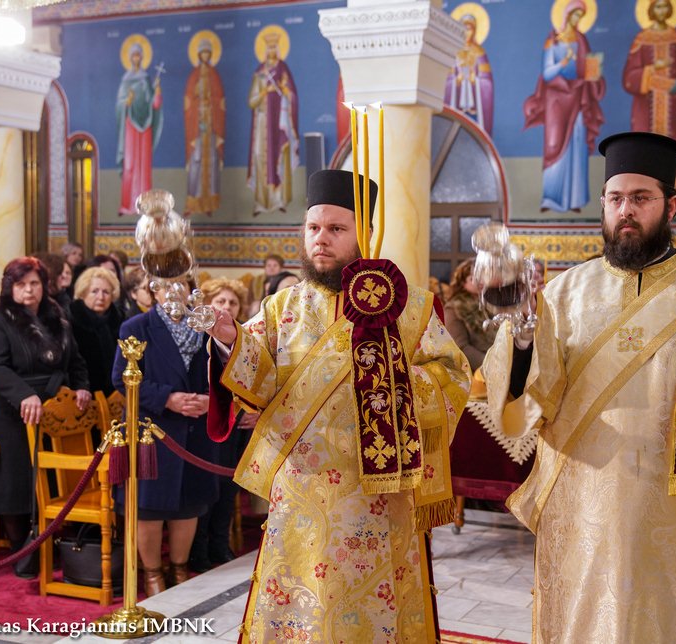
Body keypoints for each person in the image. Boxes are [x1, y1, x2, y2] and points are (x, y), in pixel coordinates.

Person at [481, 132, 676, 642]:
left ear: (670, 205)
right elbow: (527, 402)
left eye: (640, 198)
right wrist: (520, 337)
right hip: (584, 503)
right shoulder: (565, 292)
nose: (625, 211)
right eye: (614, 198)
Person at [205, 169, 470, 641]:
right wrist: (230, 340)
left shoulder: (409, 308)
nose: (321, 239)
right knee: (298, 605)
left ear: (364, 233)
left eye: (335, 228)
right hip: (300, 489)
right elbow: (259, 383)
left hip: (378, 493)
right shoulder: (281, 307)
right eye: (313, 227)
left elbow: (452, 377)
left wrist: (393, 383)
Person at [0, 257, 90, 575]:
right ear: (9, 287)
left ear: (43, 286)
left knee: (52, 483)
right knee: (16, 483)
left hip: (56, 409)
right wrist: (24, 394)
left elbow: (75, 360)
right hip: (14, 411)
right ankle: (22, 551)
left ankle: (56, 545)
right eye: (21, 284)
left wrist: (81, 387)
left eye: (34, 283)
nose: (28, 290)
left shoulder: (58, 317)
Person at [111, 278, 219, 597]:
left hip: (196, 425)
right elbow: (121, 378)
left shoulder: (204, 324)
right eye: (165, 284)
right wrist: (167, 398)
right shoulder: (136, 326)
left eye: (181, 283)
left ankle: (180, 568)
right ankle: (153, 573)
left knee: (189, 503)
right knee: (150, 506)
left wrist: (210, 399)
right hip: (153, 428)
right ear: (153, 290)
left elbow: (224, 371)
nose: (173, 290)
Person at [189, 278, 257, 572]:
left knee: (229, 486)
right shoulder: (195, 338)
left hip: (238, 422)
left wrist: (254, 411)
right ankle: (199, 549)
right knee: (208, 486)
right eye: (220, 301)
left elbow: (253, 381)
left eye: (232, 302)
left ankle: (220, 543)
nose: (227, 306)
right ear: (208, 304)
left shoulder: (245, 338)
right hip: (206, 422)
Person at [523, 0, 605, 212]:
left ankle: (574, 200)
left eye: (580, 16)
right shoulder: (552, 40)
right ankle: (550, 199)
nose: (577, 19)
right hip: (556, 100)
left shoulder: (581, 40)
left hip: (578, 97)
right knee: (554, 144)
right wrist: (563, 62)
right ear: (566, 15)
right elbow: (547, 73)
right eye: (574, 15)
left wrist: (594, 73)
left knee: (576, 144)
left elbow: (588, 70)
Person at [622, 0, 676, 139]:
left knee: (669, 145)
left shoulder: (674, 37)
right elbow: (629, 77)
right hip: (645, 104)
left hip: (670, 103)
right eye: (658, 7)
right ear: (651, 9)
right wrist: (653, 68)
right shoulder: (642, 38)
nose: (662, 11)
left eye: (665, 7)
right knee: (644, 145)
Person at [246, 28, 299, 215]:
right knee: (261, 158)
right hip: (262, 124)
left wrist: (285, 90)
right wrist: (263, 92)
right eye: (269, 47)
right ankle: (261, 202)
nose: (271, 50)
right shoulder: (260, 73)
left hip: (280, 123)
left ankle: (279, 200)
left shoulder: (283, 70)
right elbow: (251, 101)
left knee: (279, 157)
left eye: (274, 47)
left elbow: (292, 95)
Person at [116, 40, 163, 215]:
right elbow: (119, 105)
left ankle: (145, 204)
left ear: (142, 58)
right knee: (129, 163)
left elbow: (154, 105)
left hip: (145, 127)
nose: (136, 58)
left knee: (144, 165)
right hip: (130, 126)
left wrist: (157, 92)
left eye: (138, 55)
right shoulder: (125, 81)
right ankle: (127, 205)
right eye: (133, 56)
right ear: (130, 58)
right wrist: (126, 102)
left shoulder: (146, 80)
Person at [184, 34, 226, 216]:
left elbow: (220, 102)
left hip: (211, 128)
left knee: (212, 163)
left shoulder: (214, 75)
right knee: (196, 161)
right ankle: (193, 203)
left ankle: (209, 203)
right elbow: (187, 103)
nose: (206, 56)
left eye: (208, 53)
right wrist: (197, 101)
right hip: (197, 128)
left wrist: (211, 103)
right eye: (203, 53)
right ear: (198, 54)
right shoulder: (193, 76)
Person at [70, 267, 123, 396]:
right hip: (82, 394)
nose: (101, 297)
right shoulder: (71, 320)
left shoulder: (121, 321)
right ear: (83, 293)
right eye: (94, 291)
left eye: (106, 292)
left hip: (117, 394)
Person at [444, 12, 494, 135]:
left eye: (469, 29)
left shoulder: (479, 52)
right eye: (464, 29)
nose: (467, 33)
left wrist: (475, 80)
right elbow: (447, 80)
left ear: (474, 31)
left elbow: (487, 81)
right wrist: (457, 80)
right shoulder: (454, 52)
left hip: (475, 108)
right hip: (457, 104)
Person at [443, 258, 496, 371]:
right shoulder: (454, 308)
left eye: (483, 276)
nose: (480, 281)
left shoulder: (491, 304)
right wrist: (489, 365)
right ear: (463, 283)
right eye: (473, 278)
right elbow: (460, 347)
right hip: (474, 370)